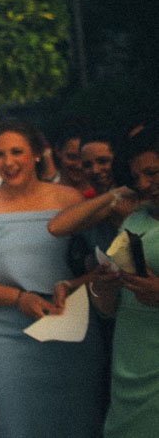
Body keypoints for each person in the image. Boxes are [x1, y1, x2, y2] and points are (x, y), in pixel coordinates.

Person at [0, 119, 103, 438]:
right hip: (10, 337)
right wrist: (19, 298)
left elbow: (99, 263)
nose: (8, 162)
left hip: (72, 328)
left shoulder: (71, 200)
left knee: (80, 424)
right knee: (20, 427)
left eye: (16, 152)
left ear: (37, 153)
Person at [89, 123, 159, 437]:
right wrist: (102, 290)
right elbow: (110, 307)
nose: (143, 184)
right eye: (136, 178)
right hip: (130, 351)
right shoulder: (134, 219)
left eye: (153, 173)